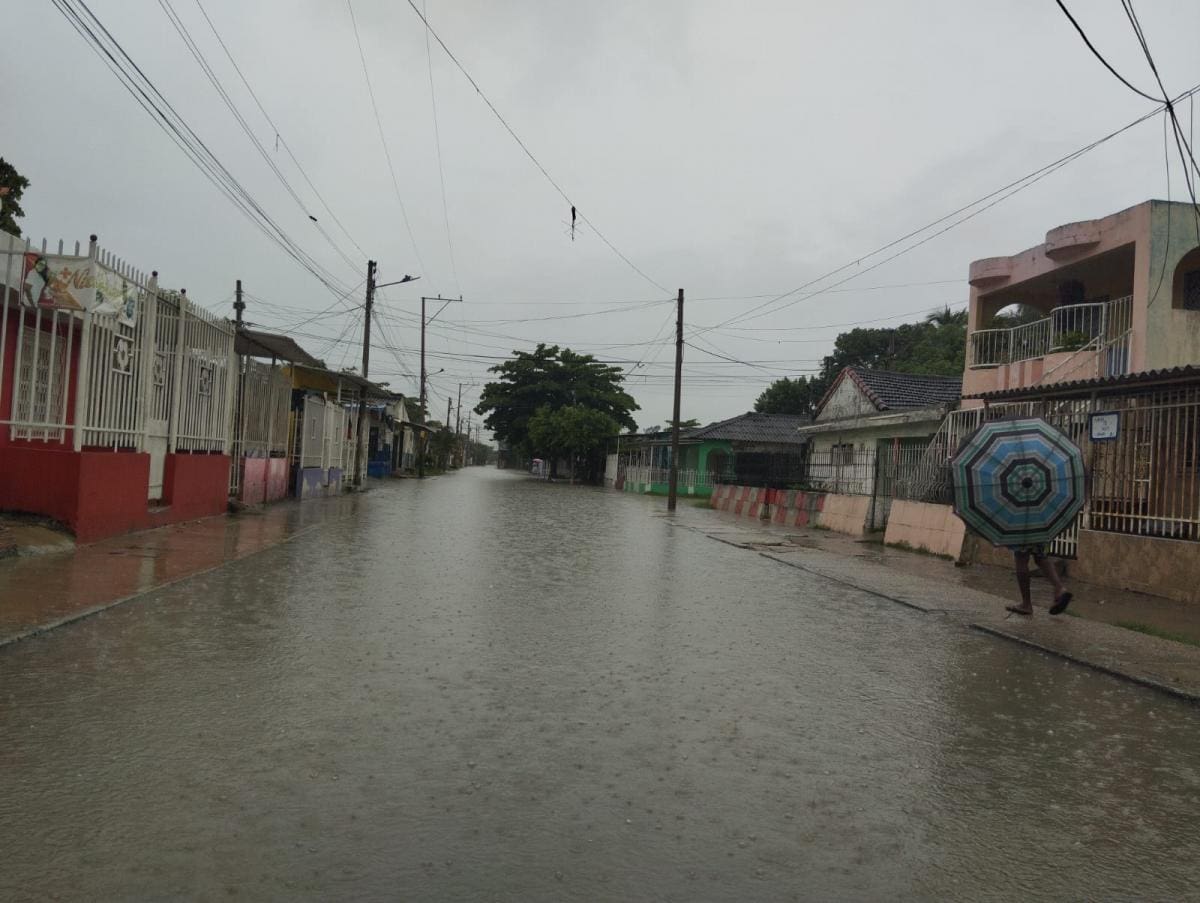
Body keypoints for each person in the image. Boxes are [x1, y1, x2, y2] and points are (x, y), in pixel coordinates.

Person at [1006, 544, 1072, 617]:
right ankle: (1059, 588)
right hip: (1039, 533)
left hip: (1024, 535)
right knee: (1040, 557)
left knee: (1021, 558)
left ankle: (1026, 604)